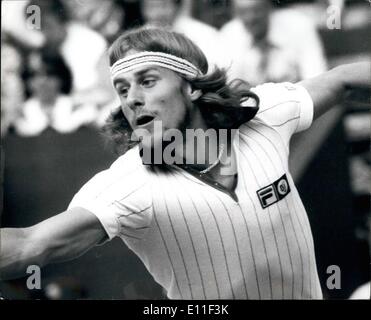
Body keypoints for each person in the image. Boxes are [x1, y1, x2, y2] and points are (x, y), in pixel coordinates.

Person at [0, 27, 369, 300]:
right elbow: (32, 244)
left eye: (147, 81)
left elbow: (341, 81)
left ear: (191, 86)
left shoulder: (264, 115)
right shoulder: (129, 183)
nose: (133, 100)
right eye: (123, 90)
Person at [219, 0, 327, 85]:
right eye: (242, 12)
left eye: (256, 10)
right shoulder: (229, 34)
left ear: (269, 7)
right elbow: (229, 86)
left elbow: (316, 78)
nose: (250, 18)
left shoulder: (298, 25)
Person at [140, 0, 224, 70]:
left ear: (176, 6)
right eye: (151, 7)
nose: (157, 13)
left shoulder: (204, 33)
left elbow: (215, 67)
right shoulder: (139, 39)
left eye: (163, 5)